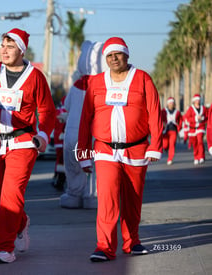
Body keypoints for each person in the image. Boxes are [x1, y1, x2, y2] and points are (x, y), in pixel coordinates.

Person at [77, 37, 163, 262]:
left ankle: (132, 241)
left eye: (118, 54)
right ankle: (104, 247)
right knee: (107, 199)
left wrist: (155, 146)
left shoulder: (143, 78)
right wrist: (83, 154)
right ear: (105, 59)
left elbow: (155, 112)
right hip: (104, 150)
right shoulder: (96, 82)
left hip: (136, 150)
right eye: (109, 55)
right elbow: (86, 118)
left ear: (126, 55)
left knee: (133, 199)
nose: (114, 58)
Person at [0, 28, 55, 264]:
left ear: (21, 49)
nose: (4, 50)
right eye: (2, 46)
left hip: (23, 142)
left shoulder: (36, 76)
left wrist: (43, 135)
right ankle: (21, 222)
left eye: (10, 46)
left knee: (11, 196)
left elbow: (48, 110)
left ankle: (4, 248)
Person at [60, 40, 107, 209]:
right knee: (94, 167)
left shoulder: (75, 86)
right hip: (93, 136)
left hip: (72, 134)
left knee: (73, 166)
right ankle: (92, 196)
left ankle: (74, 194)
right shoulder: (104, 86)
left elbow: (66, 106)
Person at [184, 94, 208, 165]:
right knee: (195, 144)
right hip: (192, 129)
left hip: (201, 127)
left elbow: (207, 117)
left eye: (199, 100)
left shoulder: (203, 108)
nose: (198, 101)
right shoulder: (190, 109)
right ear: (194, 101)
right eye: (196, 100)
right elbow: (187, 118)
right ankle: (196, 157)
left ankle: (201, 156)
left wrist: (203, 118)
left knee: (200, 141)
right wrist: (195, 118)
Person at [161, 97, 182, 165]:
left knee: (172, 144)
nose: (171, 104)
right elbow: (159, 118)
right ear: (167, 104)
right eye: (170, 103)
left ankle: (170, 158)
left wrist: (179, 126)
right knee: (165, 145)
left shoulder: (177, 112)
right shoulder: (163, 111)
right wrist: (162, 123)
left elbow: (181, 120)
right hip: (165, 131)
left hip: (173, 130)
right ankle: (165, 148)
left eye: (172, 103)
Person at [51, 97, 67, 190]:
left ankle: (59, 178)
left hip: (58, 140)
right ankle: (60, 179)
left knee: (59, 161)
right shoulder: (68, 111)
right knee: (64, 161)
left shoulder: (57, 112)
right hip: (66, 139)